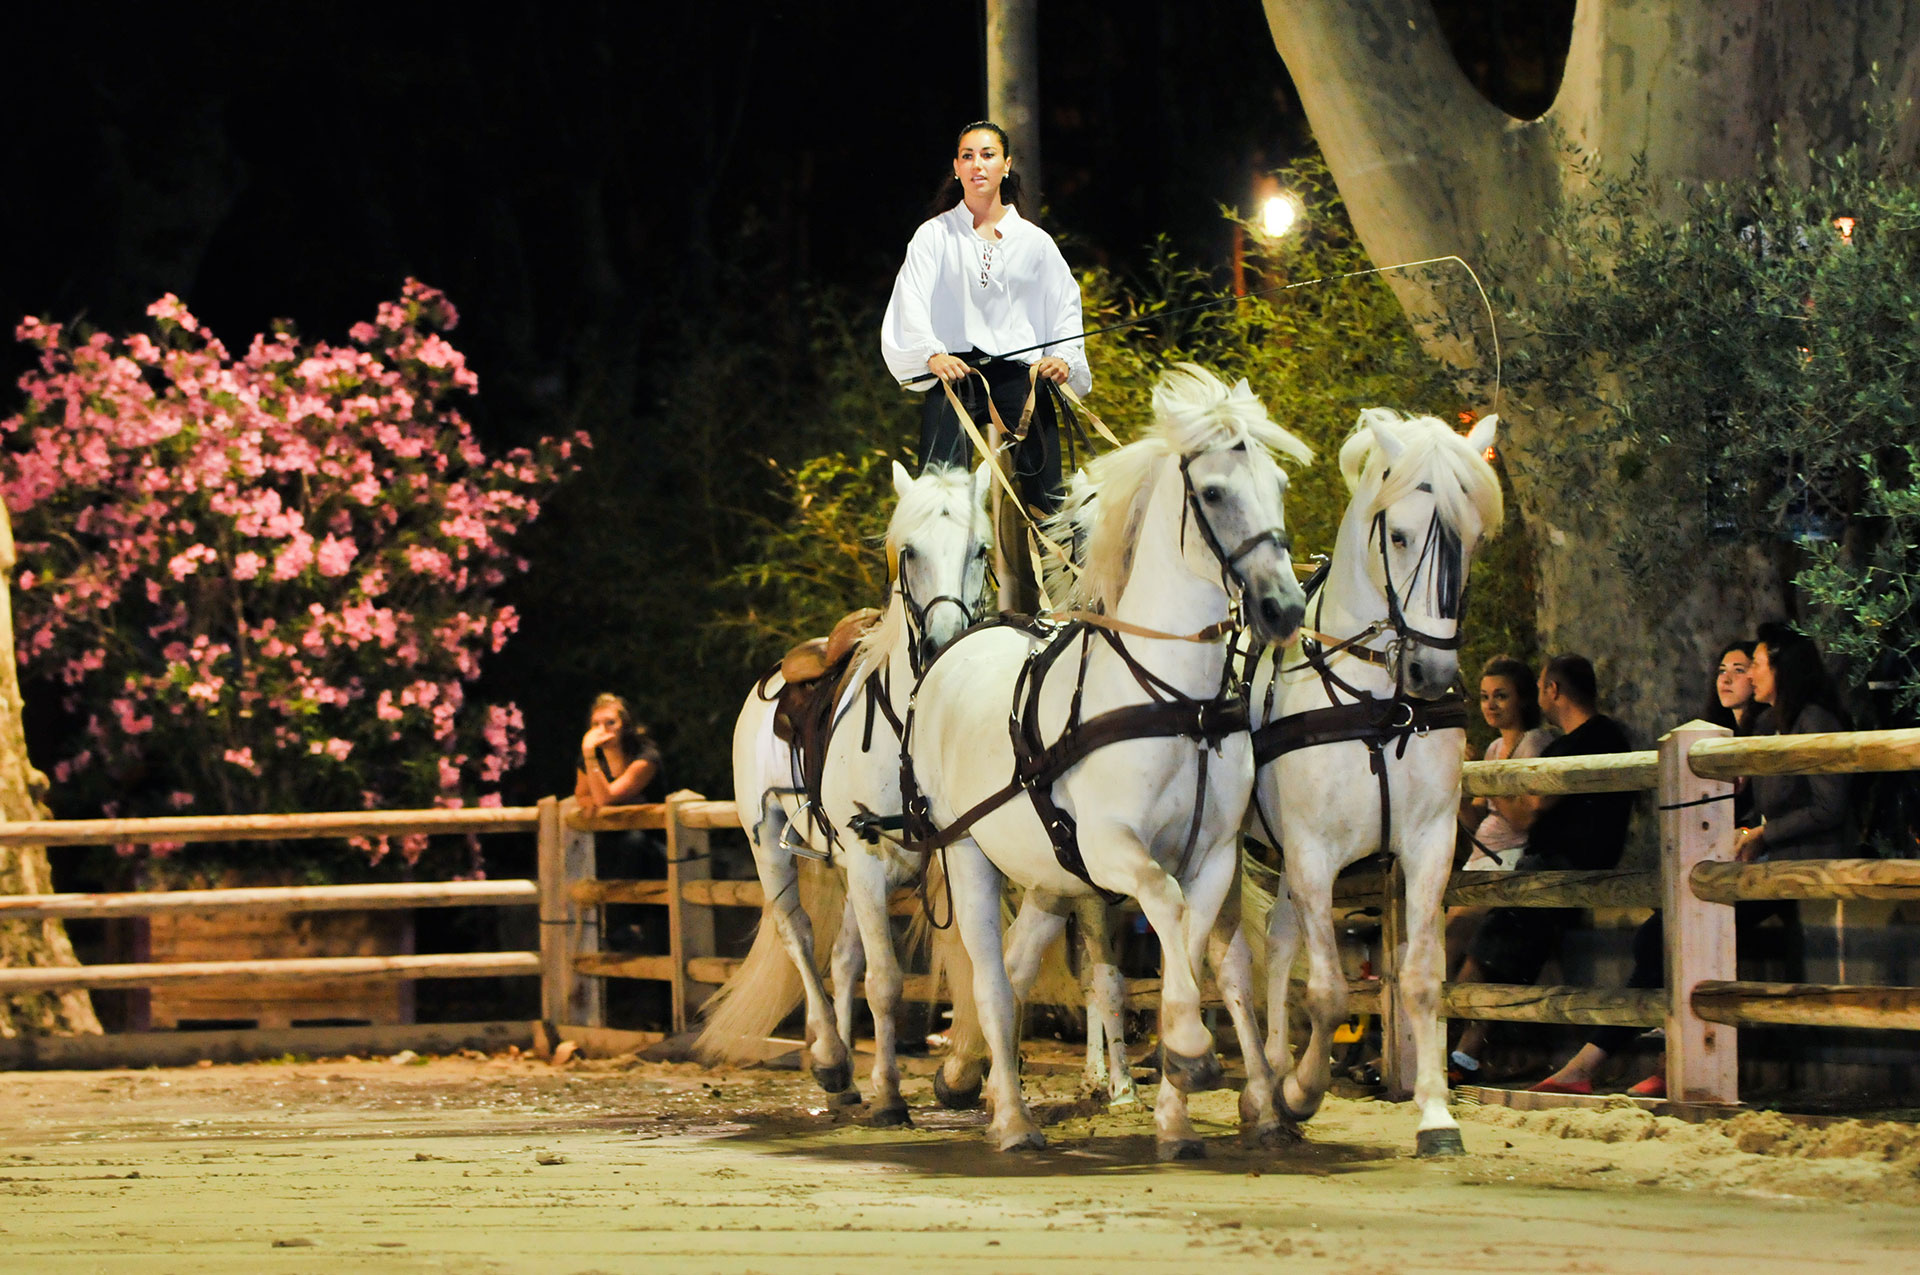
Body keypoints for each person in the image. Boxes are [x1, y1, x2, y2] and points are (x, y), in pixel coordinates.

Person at [1528, 639, 1761, 1097]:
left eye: (1743, 667)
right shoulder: (1717, 731)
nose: (1728, 678)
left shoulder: (1773, 730)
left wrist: (1756, 833)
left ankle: (1625, 1064)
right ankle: (1648, 1061)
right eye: (1722, 669)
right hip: (1724, 866)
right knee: (1659, 938)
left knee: (1666, 940)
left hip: (1760, 867)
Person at [880, 120, 1091, 612]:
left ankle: (1070, 605)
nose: (978, 164)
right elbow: (910, 301)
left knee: (1050, 496)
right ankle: (926, 609)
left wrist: (1061, 357)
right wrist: (931, 352)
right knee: (935, 495)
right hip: (957, 375)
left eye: (988, 154)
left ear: (1006, 164)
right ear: (956, 168)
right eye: (968, 155)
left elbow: (1065, 307)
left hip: (1021, 376)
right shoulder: (933, 237)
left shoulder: (1035, 243)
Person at [1448, 654, 1635, 1085]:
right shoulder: (1600, 736)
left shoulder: (1575, 740)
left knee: (1482, 955)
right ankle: (1465, 1056)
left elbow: (1534, 805)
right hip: (1553, 866)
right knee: (1496, 953)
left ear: (1552, 690)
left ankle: (1460, 1058)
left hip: (1554, 868)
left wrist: (1491, 781)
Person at [1448, 655, 1558, 977]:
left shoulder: (1534, 743)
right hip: (1482, 856)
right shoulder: (1495, 748)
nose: (1490, 705)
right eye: (1484, 697)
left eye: (1501, 695)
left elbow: (1525, 817)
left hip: (1510, 859)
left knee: (1451, 940)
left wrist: (1489, 780)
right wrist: (1461, 782)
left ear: (1522, 698)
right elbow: (1476, 819)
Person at [575, 693, 662, 814]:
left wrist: (589, 754)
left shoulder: (646, 756)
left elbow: (606, 799)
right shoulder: (592, 757)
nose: (602, 730)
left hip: (646, 829)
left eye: (610, 723)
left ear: (625, 725)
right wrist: (590, 802)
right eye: (596, 724)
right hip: (608, 830)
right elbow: (582, 795)